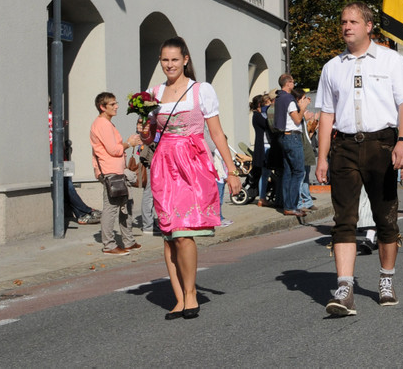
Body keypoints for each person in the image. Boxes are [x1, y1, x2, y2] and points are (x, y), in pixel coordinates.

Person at [314, 2, 403, 316]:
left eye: (353, 22)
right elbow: (326, 114)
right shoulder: (332, 67)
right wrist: (322, 157)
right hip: (345, 145)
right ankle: (345, 288)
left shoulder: (391, 60)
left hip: (381, 144)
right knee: (344, 219)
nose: (347, 27)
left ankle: (386, 279)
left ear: (369, 26)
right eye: (343, 22)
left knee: (385, 217)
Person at [141, 37, 241, 320]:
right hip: (164, 165)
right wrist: (144, 130)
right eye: (165, 60)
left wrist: (231, 171)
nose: (169, 64)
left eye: (174, 59)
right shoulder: (153, 94)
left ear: (185, 60)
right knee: (169, 235)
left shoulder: (201, 90)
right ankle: (178, 298)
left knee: (184, 234)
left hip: (192, 164)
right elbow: (150, 137)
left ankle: (191, 293)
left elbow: (217, 133)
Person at [90, 93, 143, 255]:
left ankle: (128, 241)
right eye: (112, 104)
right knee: (111, 209)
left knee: (126, 206)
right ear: (102, 107)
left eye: (116, 103)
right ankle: (109, 245)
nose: (116, 106)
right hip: (110, 172)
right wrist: (129, 143)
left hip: (117, 171)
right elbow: (114, 150)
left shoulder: (107, 123)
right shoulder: (102, 124)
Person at [275, 74, 310, 217]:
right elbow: (296, 119)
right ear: (288, 83)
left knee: (288, 172)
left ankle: (287, 205)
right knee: (298, 172)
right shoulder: (289, 99)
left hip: (283, 136)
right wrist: (302, 107)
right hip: (292, 136)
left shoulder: (279, 98)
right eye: (293, 82)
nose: (294, 84)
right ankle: (292, 206)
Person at [249, 94, 274, 206]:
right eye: (267, 103)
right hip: (264, 146)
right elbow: (268, 124)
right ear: (260, 104)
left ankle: (263, 196)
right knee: (265, 173)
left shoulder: (260, 115)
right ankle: (262, 198)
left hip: (267, 145)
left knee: (267, 173)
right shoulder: (257, 116)